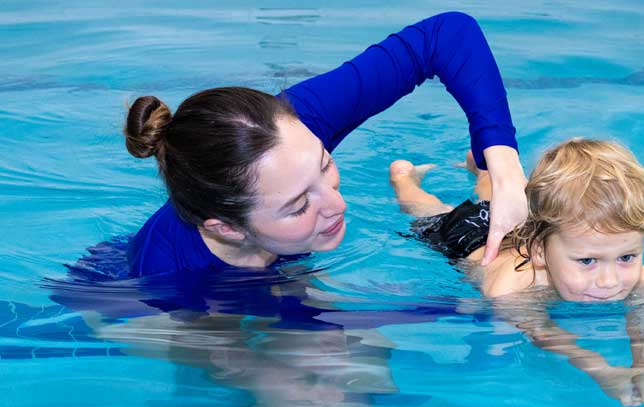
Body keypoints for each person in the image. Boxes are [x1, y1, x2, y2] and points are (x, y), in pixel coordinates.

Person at [123, 11, 527, 278]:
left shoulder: (294, 128)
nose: (339, 204)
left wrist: (506, 173)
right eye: (299, 205)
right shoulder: (169, 275)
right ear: (227, 228)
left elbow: (447, 34)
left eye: (324, 165)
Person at [389, 138, 644, 407]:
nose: (609, 281)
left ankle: (483, 169)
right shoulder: (511, 289)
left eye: (626, 257)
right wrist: (602, 370)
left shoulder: (622, 264)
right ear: (539, 251)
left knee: (497, 197)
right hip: (468, 237)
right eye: (587, 261)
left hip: (527, 222)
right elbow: (542, 332)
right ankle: (405, 179)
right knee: (428, 211)